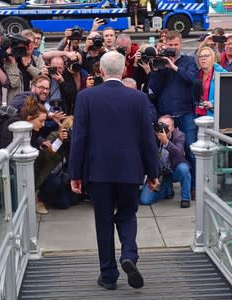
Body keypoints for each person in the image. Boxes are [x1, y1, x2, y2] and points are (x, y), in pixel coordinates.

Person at [69, 51, 159, 290]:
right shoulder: (138, 99)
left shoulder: (86, 97)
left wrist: (75, 173)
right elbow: (147, 139)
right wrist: (154, 172)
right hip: (130, 169)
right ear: (124, 71)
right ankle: (129, 254)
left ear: (100, 71)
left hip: (98, 171)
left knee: (104, 222)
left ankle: (108, 276)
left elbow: (79, 138)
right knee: (128, 215)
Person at [148, 30, 199, 198]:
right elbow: (153, 88)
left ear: (181, 44)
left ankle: (193, 186)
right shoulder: (160, 62)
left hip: (186, 113)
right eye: (170, 45)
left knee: (190, 150)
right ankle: (166, 185)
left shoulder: (189, 61)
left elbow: (192, 80)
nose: (173, 48)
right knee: (163, 150)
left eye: (176, 45)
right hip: (166, 113)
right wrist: (156, 68)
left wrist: (174, 67)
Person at [0, 96, 49, 214]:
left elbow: (33, 141)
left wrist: (40, 141)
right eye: (41, 121)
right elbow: (5, 148)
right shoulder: (13, 125)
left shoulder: (31, 127)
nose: (43, 124)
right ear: (29, 118)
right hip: (4, 164)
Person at [139, 115, 191, 208]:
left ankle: (185, 198)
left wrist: (166, 142)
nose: (163, 128)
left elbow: (179, 153)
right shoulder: (152, 136)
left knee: (184, 168)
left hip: (174, 170)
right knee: (144, 200)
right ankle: (167, 190)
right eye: (160, 125)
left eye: (166, 126)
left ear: (173, 128)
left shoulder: (179, 135)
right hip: (160, 174)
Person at [193, 46, 227, 117]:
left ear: (213, 58)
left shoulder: (222, 73)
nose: (203, 58)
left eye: (206, 56)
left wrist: (213, 103)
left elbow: (228, 94)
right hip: (199, 114)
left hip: (215, 115)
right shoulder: (197, 74)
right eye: (200, 56)